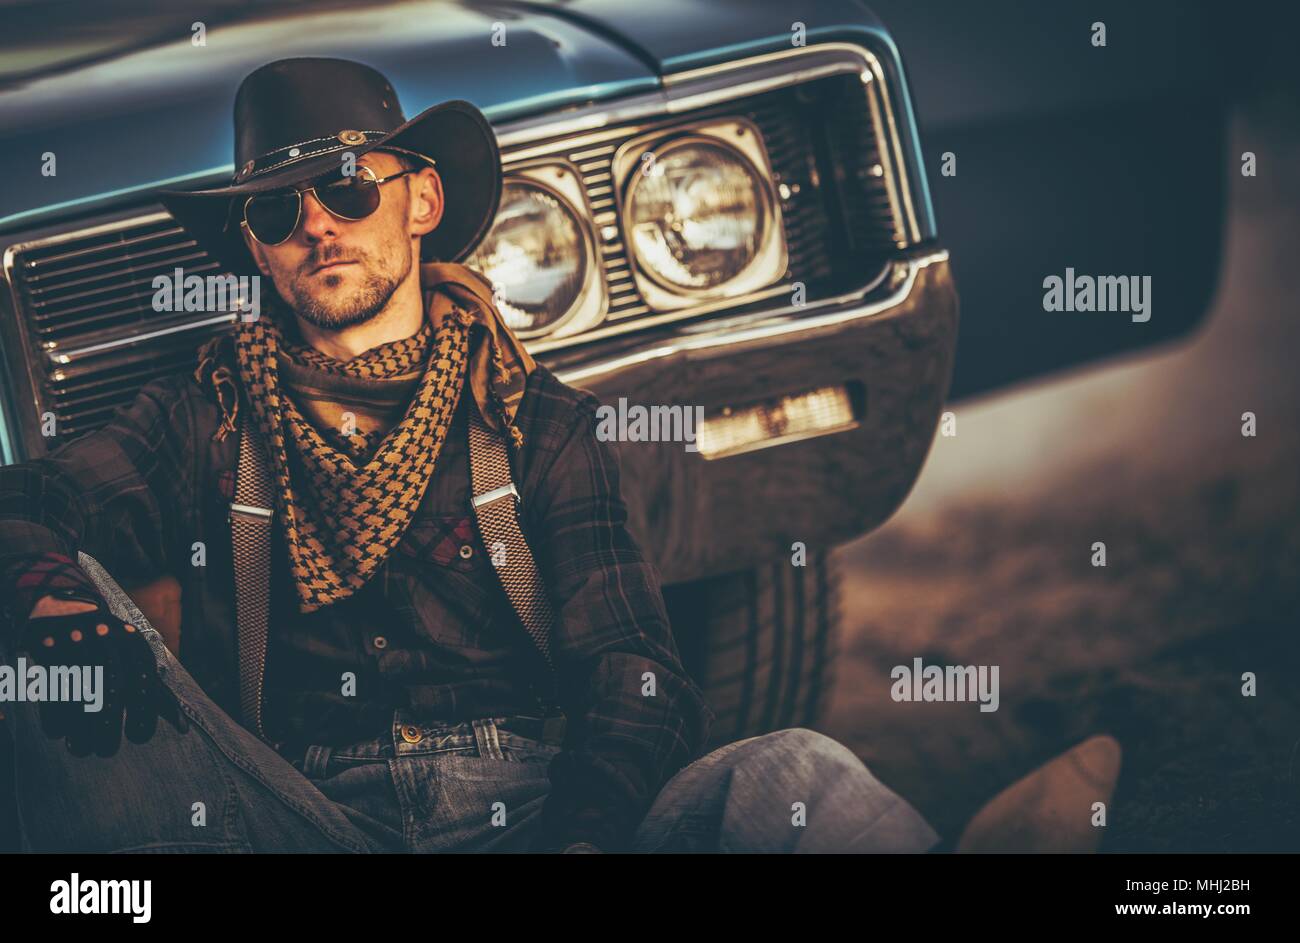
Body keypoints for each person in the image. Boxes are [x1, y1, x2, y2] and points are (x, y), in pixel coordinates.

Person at [0, 57, 1119, 854]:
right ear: (254, 245)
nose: (317, 226)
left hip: (527, 800)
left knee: (792, 774)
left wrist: (584, 838)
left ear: (419, 199)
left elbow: (636, 668)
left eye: (345, 187)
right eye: (279, 210)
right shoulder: (205, 414)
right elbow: (28, 506)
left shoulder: (537, 420)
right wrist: (51, 594)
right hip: (297, 810)